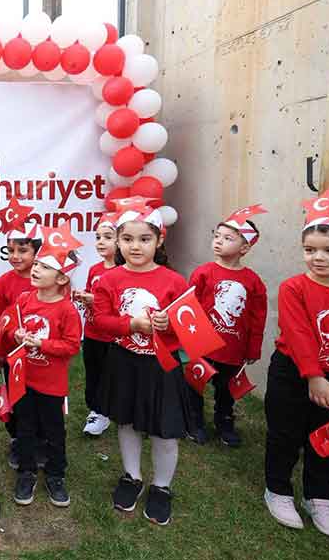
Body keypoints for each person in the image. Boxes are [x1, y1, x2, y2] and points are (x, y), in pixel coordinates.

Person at [263, 190, 329, 540]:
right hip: (293, 375)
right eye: (310, 250)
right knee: (285, 434)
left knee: (327, 438)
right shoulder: (293, 288)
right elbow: (297, 334)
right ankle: (278, 490)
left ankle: (320, 499)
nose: (318, 258)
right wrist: (313, 375)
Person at [91, 198, 189, 526]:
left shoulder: (175, 281)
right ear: (118, 241)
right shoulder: (108, 280)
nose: (135, 246)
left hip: (162, 366)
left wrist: (169, 325)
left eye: (144, 239)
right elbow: (100, 321)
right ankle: (131, 476)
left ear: (159, 240)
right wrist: (130, 325)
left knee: (165, 432)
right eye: (127, 239)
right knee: (127, 422)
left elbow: (191, 325)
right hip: (124, 362)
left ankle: (161, 487)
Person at [0, 227, 81, 508]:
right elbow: (10, 329)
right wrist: (16, 336)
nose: (35, 269)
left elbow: (71, 346)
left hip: (52, 384)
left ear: (61, 278)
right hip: (23, 379)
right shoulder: (24, 300)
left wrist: (42, 344)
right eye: (37, 264)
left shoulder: (67, 310)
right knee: (25, 427)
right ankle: (26, 472)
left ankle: (56, 475)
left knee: (55, 431)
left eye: (44, 267)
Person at [186, 206, 268, 447]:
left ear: (244, 248)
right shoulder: (203, 273)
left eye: (228, 238)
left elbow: (257, 317)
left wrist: (253, 350)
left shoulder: (253, 282)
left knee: (225, 390)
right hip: (202, 347)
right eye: (217, 236)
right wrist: (190, 341)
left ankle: (224, 421)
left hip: (233, 349)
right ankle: (194, 421)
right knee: (194, 385)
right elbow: (191, 308)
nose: (219, 242)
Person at [0, 219, 40, 469]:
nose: (15, 256)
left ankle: (40, 439)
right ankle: (18, 439)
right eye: (10, 250)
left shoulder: (48, 279)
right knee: (16, 398)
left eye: (23, 250)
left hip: (42, 357)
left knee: (40, 399)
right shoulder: (3, 282)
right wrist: (0, 351)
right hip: (13, 356)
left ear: (36, 252)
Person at [73, 212, 119, 437]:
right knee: (93, 372)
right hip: (92, 332)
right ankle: (97, 410)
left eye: (107, 237)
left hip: (113, 337)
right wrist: (84, 297)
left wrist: (96, 300)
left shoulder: (123, 273)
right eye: (98, 237)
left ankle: (112, 409)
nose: (101, 242)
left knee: (113, 375)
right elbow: (93, 297)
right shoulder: (95, 270)